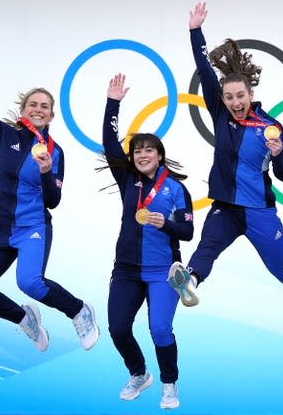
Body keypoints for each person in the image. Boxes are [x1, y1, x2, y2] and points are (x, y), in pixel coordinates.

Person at [167, 2, 283, 332]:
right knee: (207, 248)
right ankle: (191, 282)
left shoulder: (270, 125)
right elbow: (204, 69)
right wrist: (195, 31)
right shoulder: (220, 114)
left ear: (250, 93)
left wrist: (279, 153)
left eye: (239, 96)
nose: (235, 102)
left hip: (259, 211)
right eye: (229, 98)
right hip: (226, 208)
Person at [0, 30, 99, 352]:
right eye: (33, 104)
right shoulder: (3, 134)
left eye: (45, 106)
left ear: (51, 114)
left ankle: (79, 311)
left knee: (30, 283)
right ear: (24, 110)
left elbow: (54, 200)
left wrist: (48, 172)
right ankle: (25, 320)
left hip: (33, 227)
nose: (39, 109)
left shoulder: (56, 151)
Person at [101, 73, 194, 409]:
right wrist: (113, 103)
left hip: (162, 271)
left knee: (160, 331)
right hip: (126, 269)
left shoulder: (176, 189)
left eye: (148, 150)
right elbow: (109, 144)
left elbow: (187, 232)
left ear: (159, 154)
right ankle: (139, 373)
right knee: (117, 328)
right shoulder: (127, 179)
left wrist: (166, 223)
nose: (142, 155)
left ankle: (169, 384)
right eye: (138, 151)